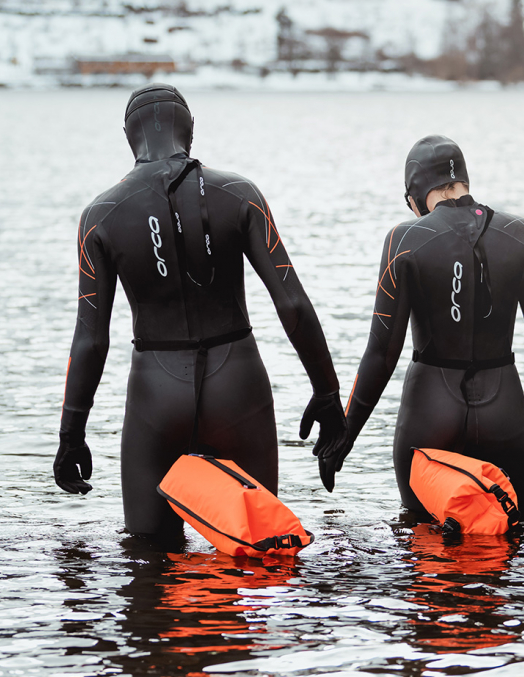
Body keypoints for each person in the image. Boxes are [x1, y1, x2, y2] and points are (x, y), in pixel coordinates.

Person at [54, 83, 347, 539]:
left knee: (147, 567)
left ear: (129, 138)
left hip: (155, 394)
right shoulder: (240, 193)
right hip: (239, 387)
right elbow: (292, 304)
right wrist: (328, 395)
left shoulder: (101, 214)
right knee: (260, 557)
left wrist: (71, 432)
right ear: (189, 131)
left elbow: (91, 339)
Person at [334, 134, 524, 510]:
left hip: (430, 413)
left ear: (414, 196)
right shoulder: (517, 233)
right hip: (506, 413)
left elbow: (381, 354)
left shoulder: (406, 238)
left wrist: (345, 436)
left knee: (422, 543)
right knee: (507, 538)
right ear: (465, 181)